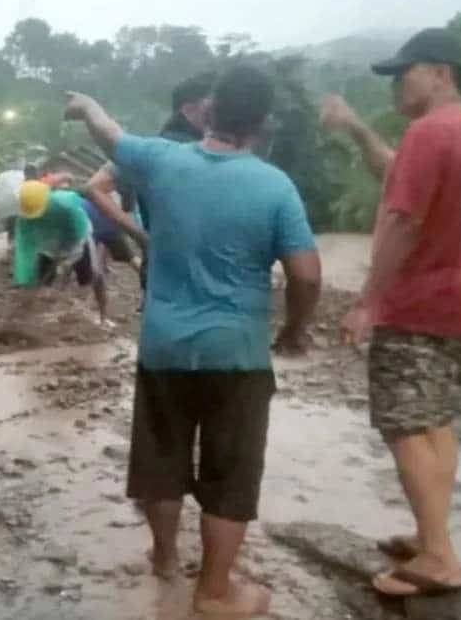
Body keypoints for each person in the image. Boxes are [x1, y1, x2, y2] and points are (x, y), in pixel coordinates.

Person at [64, 65, 322, 617]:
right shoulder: (276, 186)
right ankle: (214, 592)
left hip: (164, 347)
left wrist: (85, 105)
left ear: (209, 110)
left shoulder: (162, 160)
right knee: (231, 475)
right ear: (263, 123)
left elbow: (110, 136)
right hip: (238, 355)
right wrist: (293, 330)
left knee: (160, 461)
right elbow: (306, 276)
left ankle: (164, 559)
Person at [320, 28, 461, 597]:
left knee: (404, 425)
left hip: (416, 302)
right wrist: (355, 128)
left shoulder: (428, 132)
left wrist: (368, 301)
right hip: (459, 297)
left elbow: (403, 218)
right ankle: (431, 534)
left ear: (441, 72)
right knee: (434, 419)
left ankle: (439, 556)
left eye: (404, 72)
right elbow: (395, 173)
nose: (396, 84)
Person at [83, 71, 216, 278]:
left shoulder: (153, 150)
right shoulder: (172, 150)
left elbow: (93, 187)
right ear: (189, 109)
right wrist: (140, 237)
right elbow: (93, 188)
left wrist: (142, 238)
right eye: (213, 104)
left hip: (163, 270)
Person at [11, 180, 109, 325]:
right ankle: (31, 320)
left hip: (78, 239)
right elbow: (25, 251)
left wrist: (69, 258)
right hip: (49, 244)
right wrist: (25, 279)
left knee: (94, 274)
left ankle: (103, 316)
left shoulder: (66, 203)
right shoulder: (24, 218)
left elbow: (80, 233)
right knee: (40, 283)